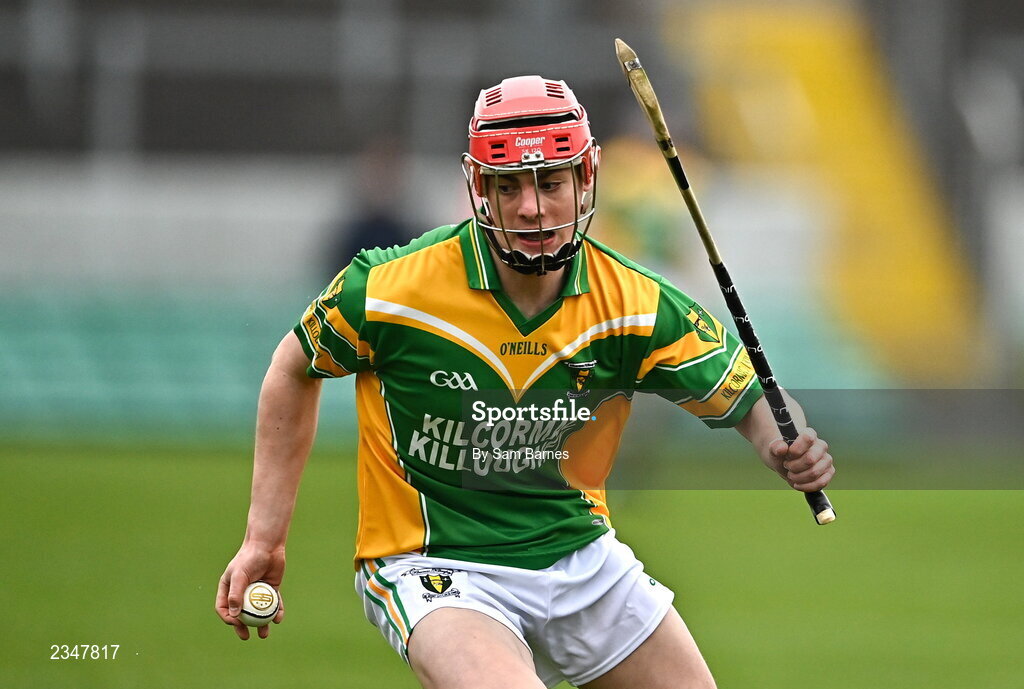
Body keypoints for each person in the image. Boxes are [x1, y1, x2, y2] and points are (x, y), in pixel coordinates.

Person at [215, 75, 835, 689]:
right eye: (508, 186)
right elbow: (292, 369)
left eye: (551, 183)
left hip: (580, 554)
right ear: (478, 187)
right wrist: (263, 539)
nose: (532, 207)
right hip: (435, 564)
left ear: (586, 177)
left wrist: (785, 444)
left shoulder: (635, 303)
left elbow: (752, 398)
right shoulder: (391, 289)